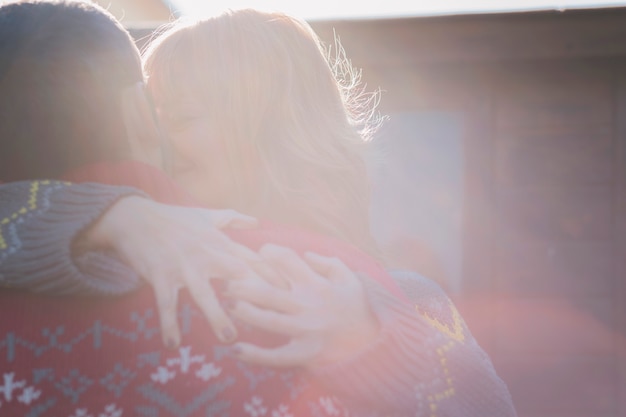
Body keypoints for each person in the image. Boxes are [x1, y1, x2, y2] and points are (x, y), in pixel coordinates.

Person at [0, 1, 517, 416]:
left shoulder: (393, 293)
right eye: (151, 116)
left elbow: (491, 408)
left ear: (271, 132)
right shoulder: (119, 240)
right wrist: (102, 213)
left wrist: (373, 342)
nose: (153, 137)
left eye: (178, 118)